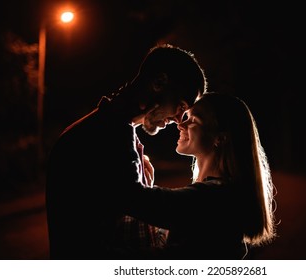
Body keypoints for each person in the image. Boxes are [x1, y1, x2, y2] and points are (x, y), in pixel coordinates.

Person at [45, 44, 207, 259]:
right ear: (159, 83)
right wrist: (208, 206)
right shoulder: (104, 135)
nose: (178, 120)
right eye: (180, 106)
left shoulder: (117, 132)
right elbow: (136, 202)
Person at [122, 92, 277, 259]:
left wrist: (124, 123)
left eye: (193, 120)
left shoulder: (214, 198)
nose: (181, 125)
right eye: (186, 116)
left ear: (220, 138)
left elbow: (131, 198)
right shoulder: (220, 193)